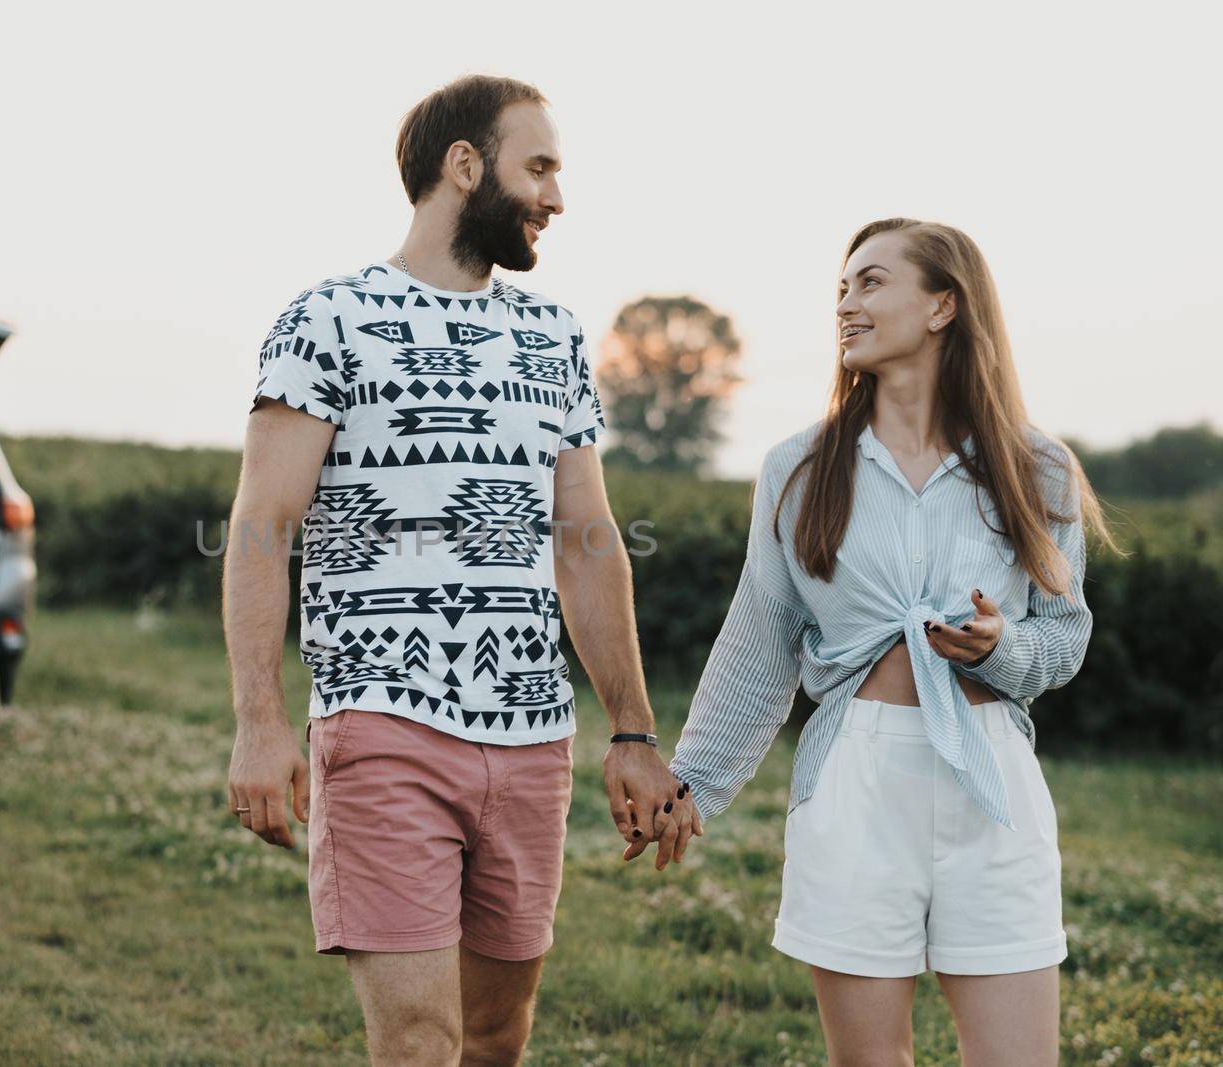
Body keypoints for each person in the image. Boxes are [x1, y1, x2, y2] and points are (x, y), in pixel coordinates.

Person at [222, 74, 694, 1066]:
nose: (556, 198)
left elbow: (589, 539)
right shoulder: (328, 319)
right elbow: (264, 524)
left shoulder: (553, 336)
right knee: (421, 1038)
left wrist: (634, 729)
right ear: (464, 164)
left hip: (530, 740)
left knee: (493, 1035)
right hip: (382, 724)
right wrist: (260, 724)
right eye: (540, 167)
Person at [668, 217, 1116, 1064]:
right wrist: (693, 782)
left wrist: (999, 650)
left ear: (944, 304)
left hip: (992, 783)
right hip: (857, 781)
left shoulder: (1037, 467)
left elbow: (1064, 637)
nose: (847, 304)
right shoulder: (798, 469)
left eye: (871, 283)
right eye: (842, 287)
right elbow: (759, 639)